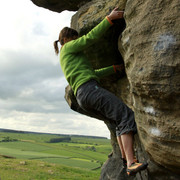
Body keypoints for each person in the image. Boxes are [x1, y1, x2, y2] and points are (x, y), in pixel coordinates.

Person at [53, 7, 148, 176]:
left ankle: (126, 161)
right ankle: (131, 163)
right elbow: (89, 39)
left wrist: (113, 68)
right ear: (67, 39)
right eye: (75, 39)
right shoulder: (67, 48)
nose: (78, 42)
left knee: (116, 122)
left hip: (83, 95)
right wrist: (109, 19)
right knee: (125, 115)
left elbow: (93, 73)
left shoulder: (67, 58)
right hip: (89, 90)